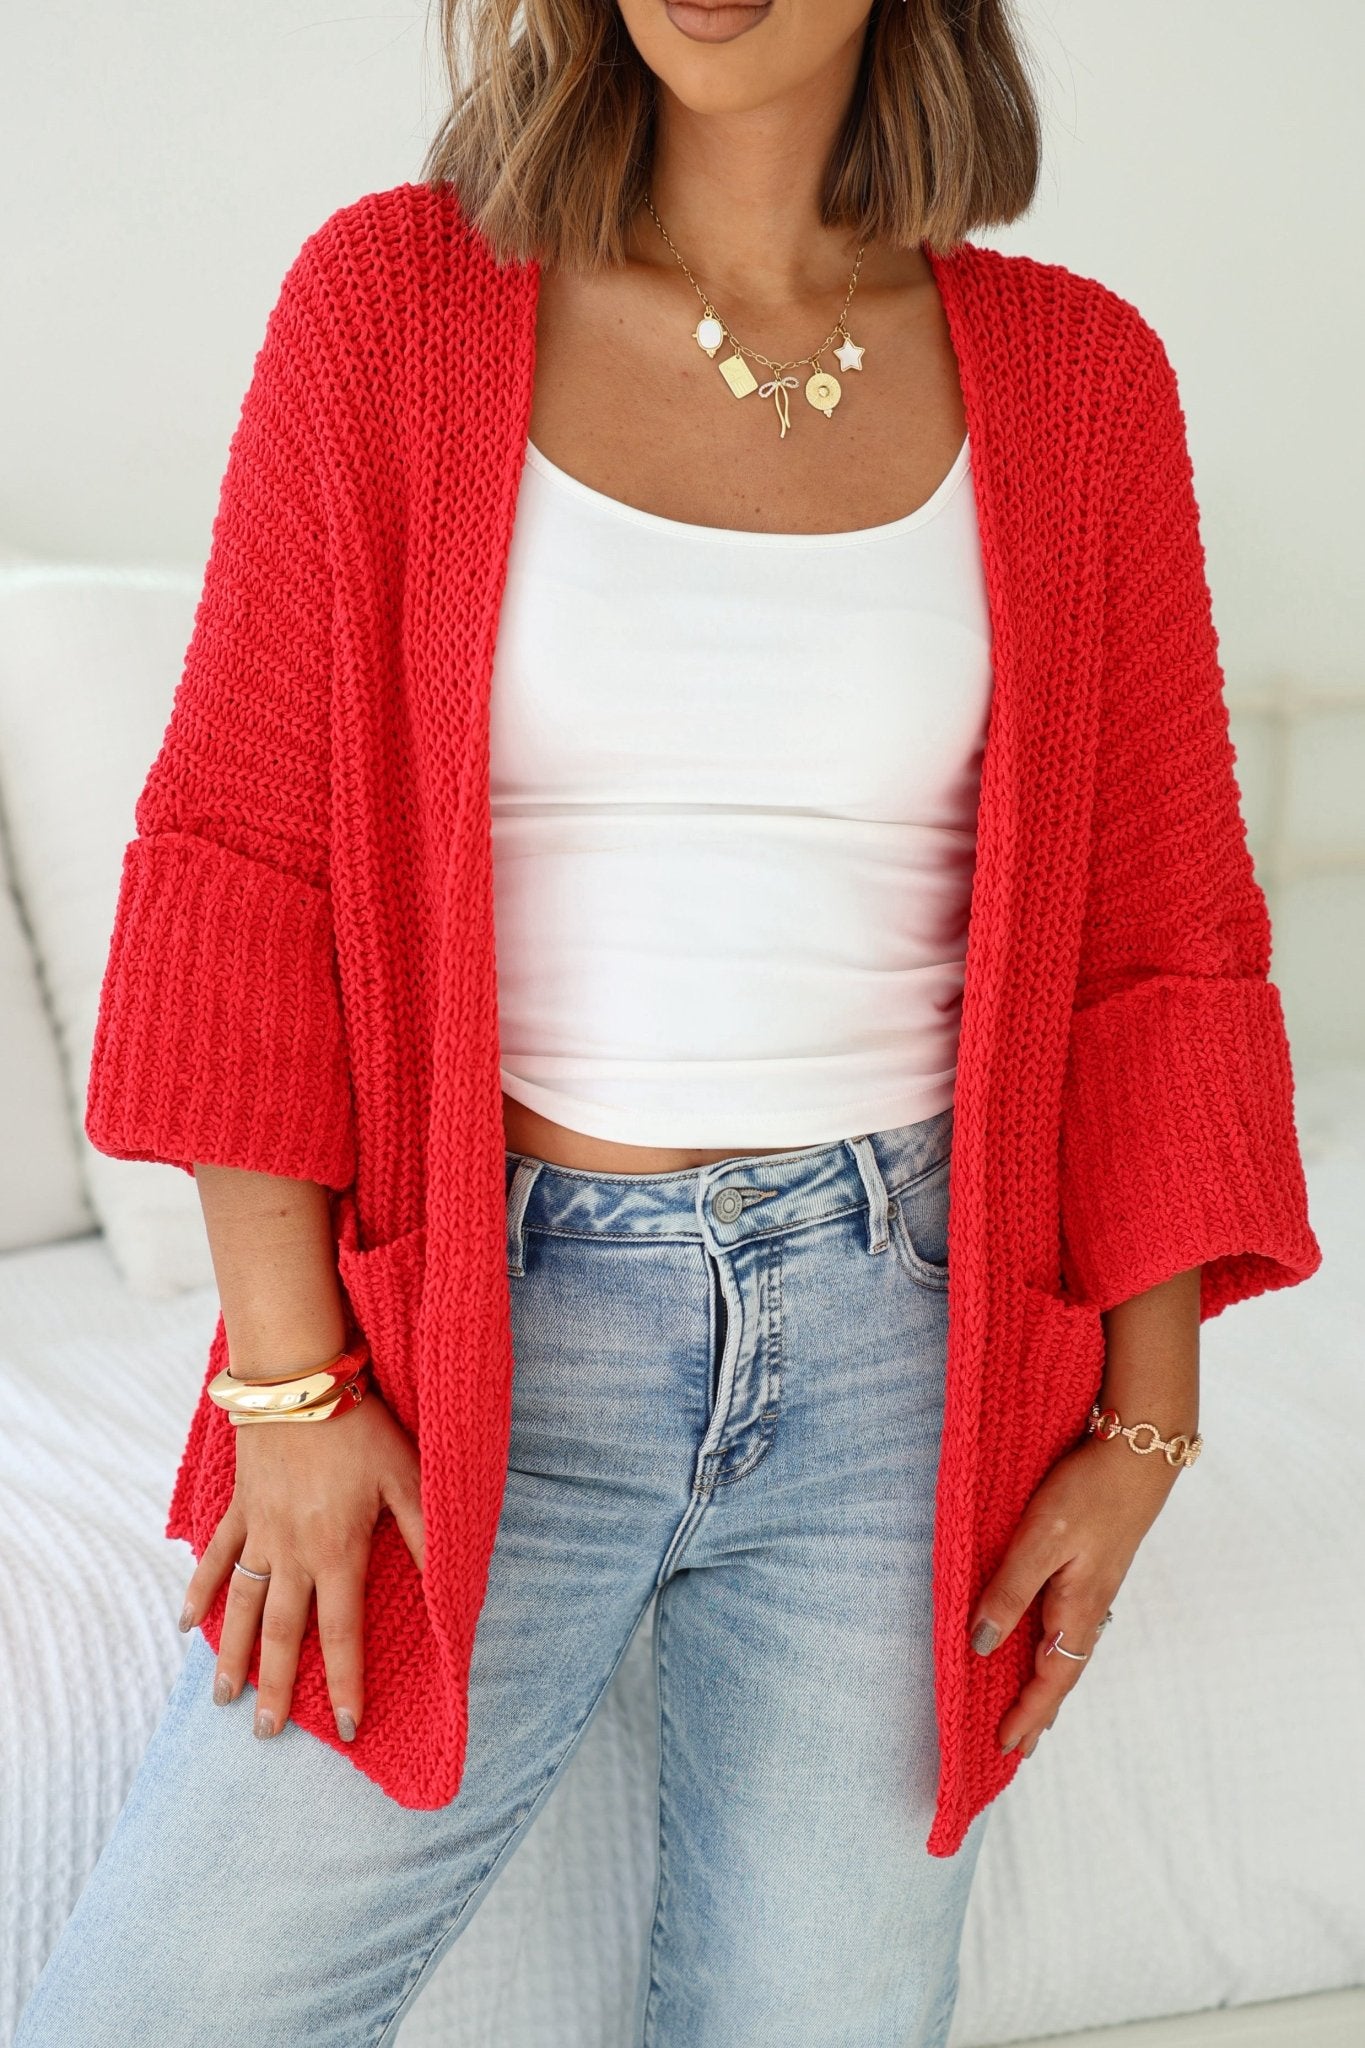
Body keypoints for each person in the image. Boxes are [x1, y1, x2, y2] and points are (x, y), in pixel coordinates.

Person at [17, 2, 1321, 2044]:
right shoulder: (396, 301)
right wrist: (287, 1383)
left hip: (907, 1349)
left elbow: (1151, 943)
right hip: (490, 1323)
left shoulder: (1076, 381)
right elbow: (242, 860)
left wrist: (1141, 1423)